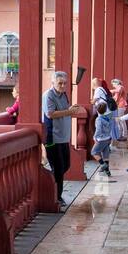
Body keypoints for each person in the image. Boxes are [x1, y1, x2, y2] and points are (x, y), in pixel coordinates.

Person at [43, 70, 85, 208]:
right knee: (59, 168)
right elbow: (50, 114)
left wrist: (71, 110)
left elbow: (65, 111)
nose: (62, 86)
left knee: (65, 165)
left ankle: (52, 188)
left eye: (64, 83)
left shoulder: (63, 95)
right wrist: (69, 111)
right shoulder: (48, 95)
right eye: (60, 83)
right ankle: (56, 197)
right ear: (53, 82)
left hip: (64, 137)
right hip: (52, 137)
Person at [91, 99, 115, 178]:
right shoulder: (108, 117)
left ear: (97, 110)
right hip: (108, 138)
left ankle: (102, 164)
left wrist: (95, 137)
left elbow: (98, 130)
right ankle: (108, 172)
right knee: (105, 155)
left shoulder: (98, 119)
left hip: (101, 139)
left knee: (94, 152)